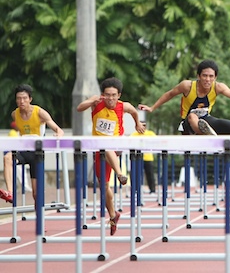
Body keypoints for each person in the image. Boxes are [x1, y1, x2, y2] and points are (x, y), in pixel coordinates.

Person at [77, 77, 145, 235]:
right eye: (107, 95)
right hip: (98, 147)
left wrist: (137, 123)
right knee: (104, 185)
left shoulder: (124, 106)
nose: (110, 99)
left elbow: (134, 111)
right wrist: (92, 99)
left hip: (117, 143)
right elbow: (80, 108)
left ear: (119, 95)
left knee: (106, 145)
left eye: (114, 95)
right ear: (103, 95)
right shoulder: (96, 104)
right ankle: (113, 215)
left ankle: (121, 174)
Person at [138, 60, 230, 136]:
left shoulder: (218, 87)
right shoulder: (187, 86)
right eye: (204, 76)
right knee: (193, 116)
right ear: (198, 76)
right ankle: (206, 137)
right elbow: (169, 94)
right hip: (188, 124)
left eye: (211, 76)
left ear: (215, 77)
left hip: (206, 121)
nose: (207, 79)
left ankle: (220, 146)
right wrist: (152, 107)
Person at [0, 84, 64, 205]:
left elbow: (58, 129)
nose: (21, 101)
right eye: (19, 98)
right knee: (7, 158)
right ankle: (10, 192)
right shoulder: (15, 114)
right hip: (23, 150)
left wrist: (58, 135)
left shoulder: (40, 113)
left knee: (36, 194)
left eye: (24, 98)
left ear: (30, 99)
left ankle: (40, 219)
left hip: (37, 153)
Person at [130, 124, 157, 194]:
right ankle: (135, 190)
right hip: (137, 158)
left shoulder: (150, 134)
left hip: (148, 158)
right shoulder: (133, 135)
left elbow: (157, 142)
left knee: (150, 174)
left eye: (144, 125)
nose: (142, 127)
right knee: (135, 174)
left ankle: (152, 190)